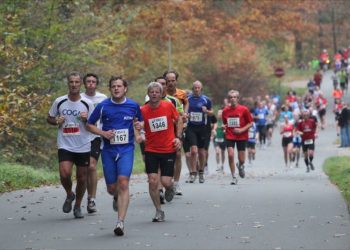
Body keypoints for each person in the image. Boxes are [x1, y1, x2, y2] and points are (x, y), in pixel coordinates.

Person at [86, 76, 143, 236]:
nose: (116, 89)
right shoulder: (103, 106)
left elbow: (140, 122)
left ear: (125, 88)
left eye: (119, 86)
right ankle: (115, 196)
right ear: (110, 89)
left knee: (123, 182)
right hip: (108, 150)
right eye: (113, 86)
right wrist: (103, 133)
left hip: (126, 150)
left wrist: (139, 128)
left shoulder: (133, 105)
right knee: (112, 188)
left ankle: (120, 222)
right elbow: (89, 124)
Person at [47, 71, 94, 219]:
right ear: (68, 83)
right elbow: (49, 117)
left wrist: (87, 120)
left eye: (76, 82)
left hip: (83, 145)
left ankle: (78, 206)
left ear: (81, 84)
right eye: (71, 82)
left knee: (81, 178)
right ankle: (69, 194)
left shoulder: (88, 103)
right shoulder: (59, 101)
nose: (74, 85)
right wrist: (56, 121)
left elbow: (94, 124)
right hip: (65, 144)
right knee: (64, 173)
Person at [140, 82, 183, 222]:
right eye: (151, 92)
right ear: (148, 94)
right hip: (151, 149)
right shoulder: (143, 110)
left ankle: (170, 187)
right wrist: (139, 131)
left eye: (157, 92)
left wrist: (178, 137)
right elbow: (138, 126)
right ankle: (158, 211)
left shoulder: (168, 106)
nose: (154, 94)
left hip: (167, 149)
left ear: (161, 94)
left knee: (165, 181)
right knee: (152, 181)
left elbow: (179, 120)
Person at [80, 73, 107, 214]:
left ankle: (91, 199)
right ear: (84, 84)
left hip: (96, 135)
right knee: (82, 171)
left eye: (93, 81)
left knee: (91, 166)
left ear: (96, 84)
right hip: (80, 136)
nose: (91, 83)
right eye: (88, 81)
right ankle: (78, 197)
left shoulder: (102, 98)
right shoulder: (79, 98)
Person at [164, 70, 188, 195]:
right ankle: (166, 181)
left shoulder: (181, 94)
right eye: (168, 81)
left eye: (173, 80)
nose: (170, 83)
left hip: (177, 126)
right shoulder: (160, 93)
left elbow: (186, 105)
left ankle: (177, 183)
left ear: (176, 81)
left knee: (178, 154)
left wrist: (184, 115)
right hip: (165, 128)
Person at [222, 90, 253, 185]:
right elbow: (225, 123)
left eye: (235, 97)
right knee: (230, 155)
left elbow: (251, 123)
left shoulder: (244, 109)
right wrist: (224, 127)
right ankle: (234, 176)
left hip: (242, 136)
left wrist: (241, 130)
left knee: (242, 159)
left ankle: (240, 165)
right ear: (229, 99)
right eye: (231, 97)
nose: (233, 99)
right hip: (230, 135)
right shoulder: (225, 110)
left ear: (238, 99)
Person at [185, 80, 213, 183]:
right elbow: (185, 112)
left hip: (202, 128)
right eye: (195, 87)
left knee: (202, 152)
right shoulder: (188, 99)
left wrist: (207, 111)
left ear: (201, 89)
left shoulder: (206, 100)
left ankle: (201, 172)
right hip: (191, 127)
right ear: (192, 89)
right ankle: (193, 173)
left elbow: (211, 113)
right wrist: (186, 115)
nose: (196, 89)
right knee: (194, 151)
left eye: (198, 87)